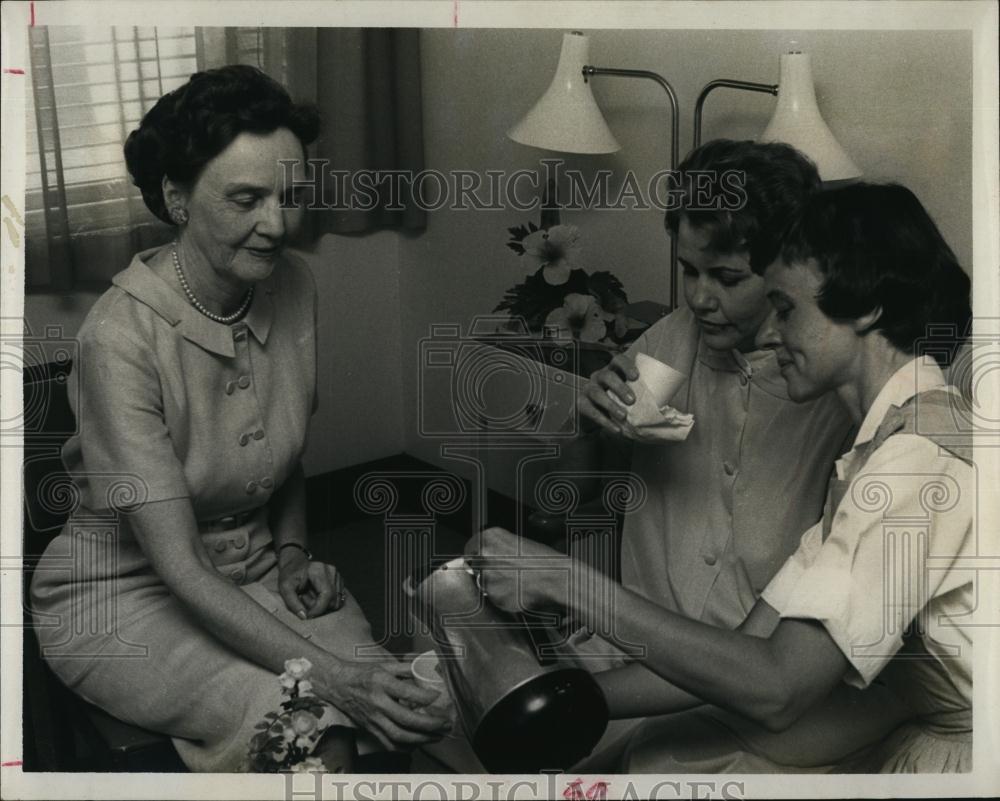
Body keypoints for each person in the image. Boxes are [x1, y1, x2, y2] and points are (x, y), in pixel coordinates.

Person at [29, 65, 450, 772]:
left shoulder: (292, 286)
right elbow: (182, 567)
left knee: (400, 702)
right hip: (128, 596)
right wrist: (330, 674)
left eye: (291, 197)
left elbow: (280, 459)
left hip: (255, 572)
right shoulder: (118, 340)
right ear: (176, 197)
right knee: (310, 722)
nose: (278, 225)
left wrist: (289, 553)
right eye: (247, 199)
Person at [472, 182, 974, 772]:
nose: (767, 333)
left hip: (961, 757)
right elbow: (753, 648)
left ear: (865, 309)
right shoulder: (881, 449)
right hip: (899, 720)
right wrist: (554, 699)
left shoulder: (914, 465)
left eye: (785, 310)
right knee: (641, 758)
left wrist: (564, 581)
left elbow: (778, 687)